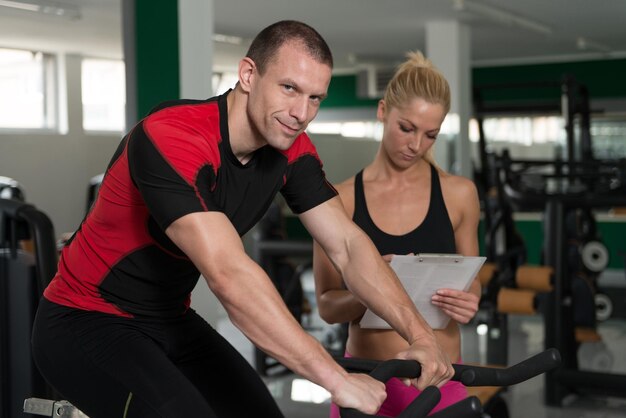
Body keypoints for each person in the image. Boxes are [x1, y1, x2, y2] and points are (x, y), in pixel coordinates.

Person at [31, 21, 453, 418]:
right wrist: (334, 378)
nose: (301, 112)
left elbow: (347, 245)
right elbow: (229, 275)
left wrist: (421, 336)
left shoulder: (294, 150)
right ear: (249, 75)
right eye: (289, 88)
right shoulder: (172, 137)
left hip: (169, 320)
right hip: (83, 321)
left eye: (315, 98)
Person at [313, 51, 481, 417]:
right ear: (382, 111)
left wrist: (469, 300)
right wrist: (373, 290)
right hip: (366, 381)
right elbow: (326, 305)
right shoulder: (339, 199)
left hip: (440, 382)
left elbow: (473, 281)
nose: (416, 145)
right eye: (407, 128)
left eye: (430, 135)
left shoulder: (460, 194)